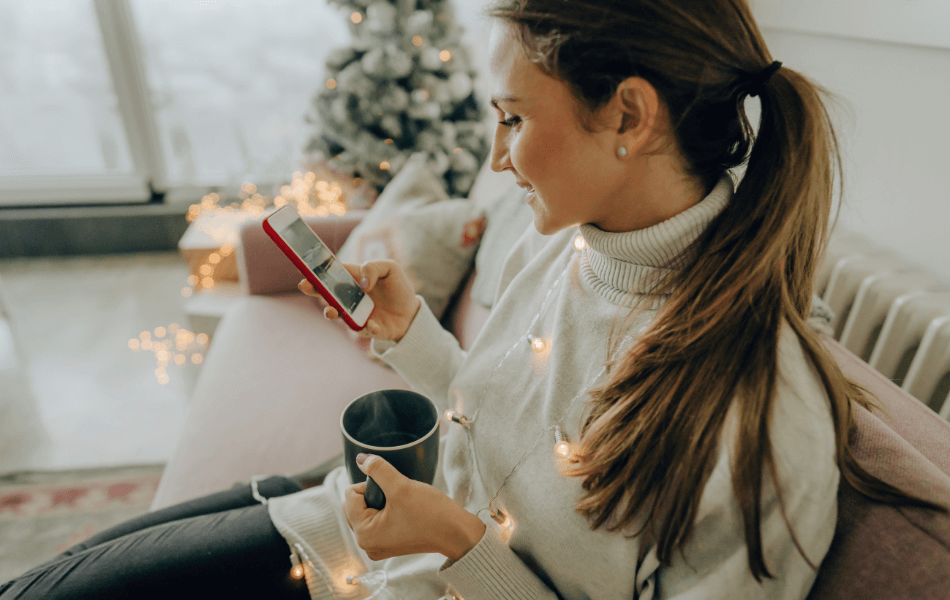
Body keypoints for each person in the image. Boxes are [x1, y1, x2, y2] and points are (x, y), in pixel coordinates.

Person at [3, 1, 945, 598]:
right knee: (59, 576)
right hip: (373, 522)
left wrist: (458, 547)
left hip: (399, 567)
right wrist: (410, 334)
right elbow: (507, 425)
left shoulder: (767, 414)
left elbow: (506, 506)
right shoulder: (575, 248)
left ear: (627, 114)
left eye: (512, 119)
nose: (496, 159)